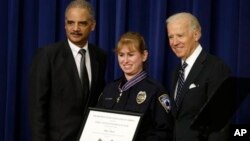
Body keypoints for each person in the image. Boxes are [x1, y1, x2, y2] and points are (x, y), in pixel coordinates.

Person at [29, 0, 107, 141]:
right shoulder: (47, 55)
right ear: (65, 25)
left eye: (82, 23)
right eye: (71, 23)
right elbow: (37, 109)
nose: (75, 28)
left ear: (93, 25)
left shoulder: (100, 57)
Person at [165, 12, 232, 141]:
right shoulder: (177, 71)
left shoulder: (216, 68)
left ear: (196, 34)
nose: (174, 42)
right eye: (170, 37)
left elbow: (219, 126)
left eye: (180, 35)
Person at [96, 32, 173, 141]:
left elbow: (164, 133)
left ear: (144, 55)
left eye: (131, 54)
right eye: (121, 55)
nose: (125, 60)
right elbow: (97, 123)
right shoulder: (110, 89)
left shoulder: (155, 90)